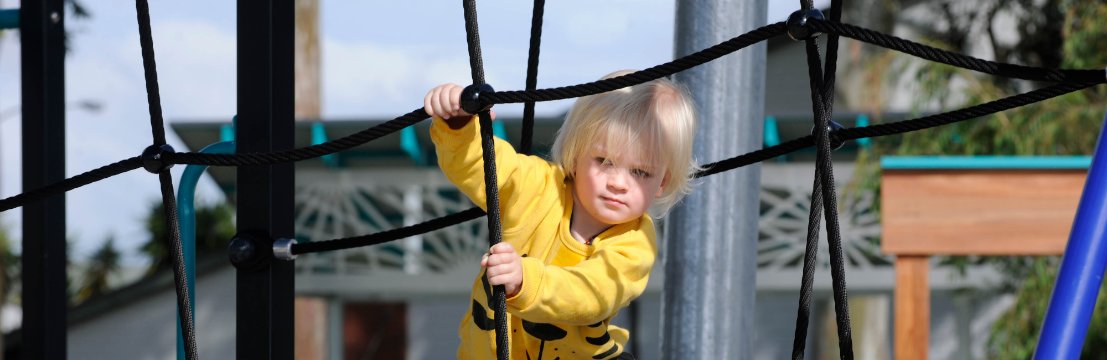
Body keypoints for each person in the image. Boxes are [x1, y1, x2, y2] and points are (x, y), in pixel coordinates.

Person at [424, 70, 698, 360]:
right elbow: (484, 170)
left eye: (640, 172)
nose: (618, 183)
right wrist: (460, 127)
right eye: (605, 161)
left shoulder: (634, 242)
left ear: (662, 182)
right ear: (577, 153)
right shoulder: (539, 187)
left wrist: (525, 282)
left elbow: (591, 293)